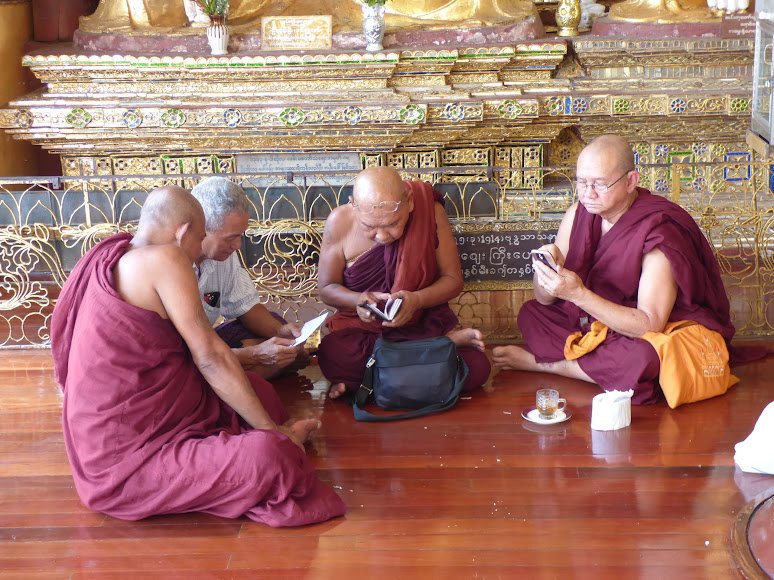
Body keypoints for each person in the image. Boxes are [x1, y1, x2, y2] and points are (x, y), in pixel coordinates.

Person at [50, 185, 346, 525]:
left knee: (258, 390)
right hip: (126, 465)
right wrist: (277, 436)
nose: (198, 252)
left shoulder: (112, 255)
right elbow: (209, 358)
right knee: (268, 456)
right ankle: (281, 443)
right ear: (183, 232)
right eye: (200, 237)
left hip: (130, 428)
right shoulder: (167, 257)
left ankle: (255, 443)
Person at [492, 134, 736, 405]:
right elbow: (544, 299)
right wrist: (545, 275)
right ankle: (594, 366)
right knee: (531, 314)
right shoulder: (578, 213)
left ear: (631, 180)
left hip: (633, 326)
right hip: (589, 320)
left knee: (642, 359)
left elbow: (649, 324)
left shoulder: (659, 231)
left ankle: (545, 365)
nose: (588, 193)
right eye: (582, 183)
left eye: (599, 184)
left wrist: (578, 294)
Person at [316, 166, 491, 399]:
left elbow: (452, 281)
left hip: (420, 325)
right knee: (333, 353)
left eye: (391, 224)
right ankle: (440, 348)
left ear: (409, 202)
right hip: (366, 332)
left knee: (477, 367)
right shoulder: (339, 221)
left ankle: (369, 381)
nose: (382, 236)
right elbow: (327, 290)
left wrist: (416, 300)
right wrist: (358, 301)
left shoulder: (430, 211)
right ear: (354, 205)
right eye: (369, 227)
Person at [191, 176, 308, 379]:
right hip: (187, 354)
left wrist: (280, 331)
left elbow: (246, 306)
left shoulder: (225, 256)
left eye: (241, 236)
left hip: (211, 346)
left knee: (273, 329)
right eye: (231, 238)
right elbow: (186, 348)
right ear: (202, 229)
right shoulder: (172, 263)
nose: (237, 245)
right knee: (263, 355)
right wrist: (254, 355)